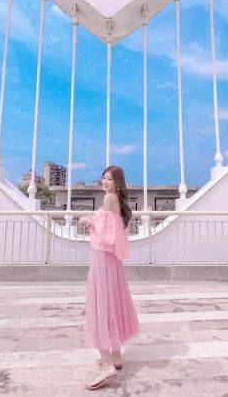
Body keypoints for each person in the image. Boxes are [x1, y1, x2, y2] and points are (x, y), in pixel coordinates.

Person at [78, 165, 140, 391]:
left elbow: (105, 234)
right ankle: (115, 355)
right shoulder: (120, 202)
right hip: (113, 261)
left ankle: (107, 367)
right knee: (114, 301)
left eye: (109, 179)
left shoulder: (108, 199)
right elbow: (115, 231)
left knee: (101, 304)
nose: (104, 182)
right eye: (103, 178)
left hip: (103, 259)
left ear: (117, 183)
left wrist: (87, 220)